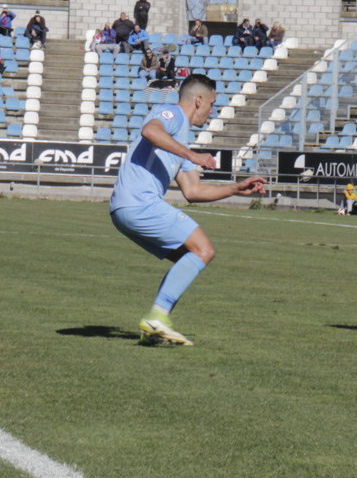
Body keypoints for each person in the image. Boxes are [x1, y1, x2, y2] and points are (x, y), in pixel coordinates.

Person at [110, 74, 267, 346]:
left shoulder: (179, 139)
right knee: (204, 250)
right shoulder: (171, 113)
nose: (213, 110)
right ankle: (157, 316)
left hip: (124, 209)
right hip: (139, 202)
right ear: (198, 100)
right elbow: (150, 130)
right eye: (212, 103)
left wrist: (235, 189)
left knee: (190, 258)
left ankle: (153, 327)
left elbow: (193, 191)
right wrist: (192, 155)